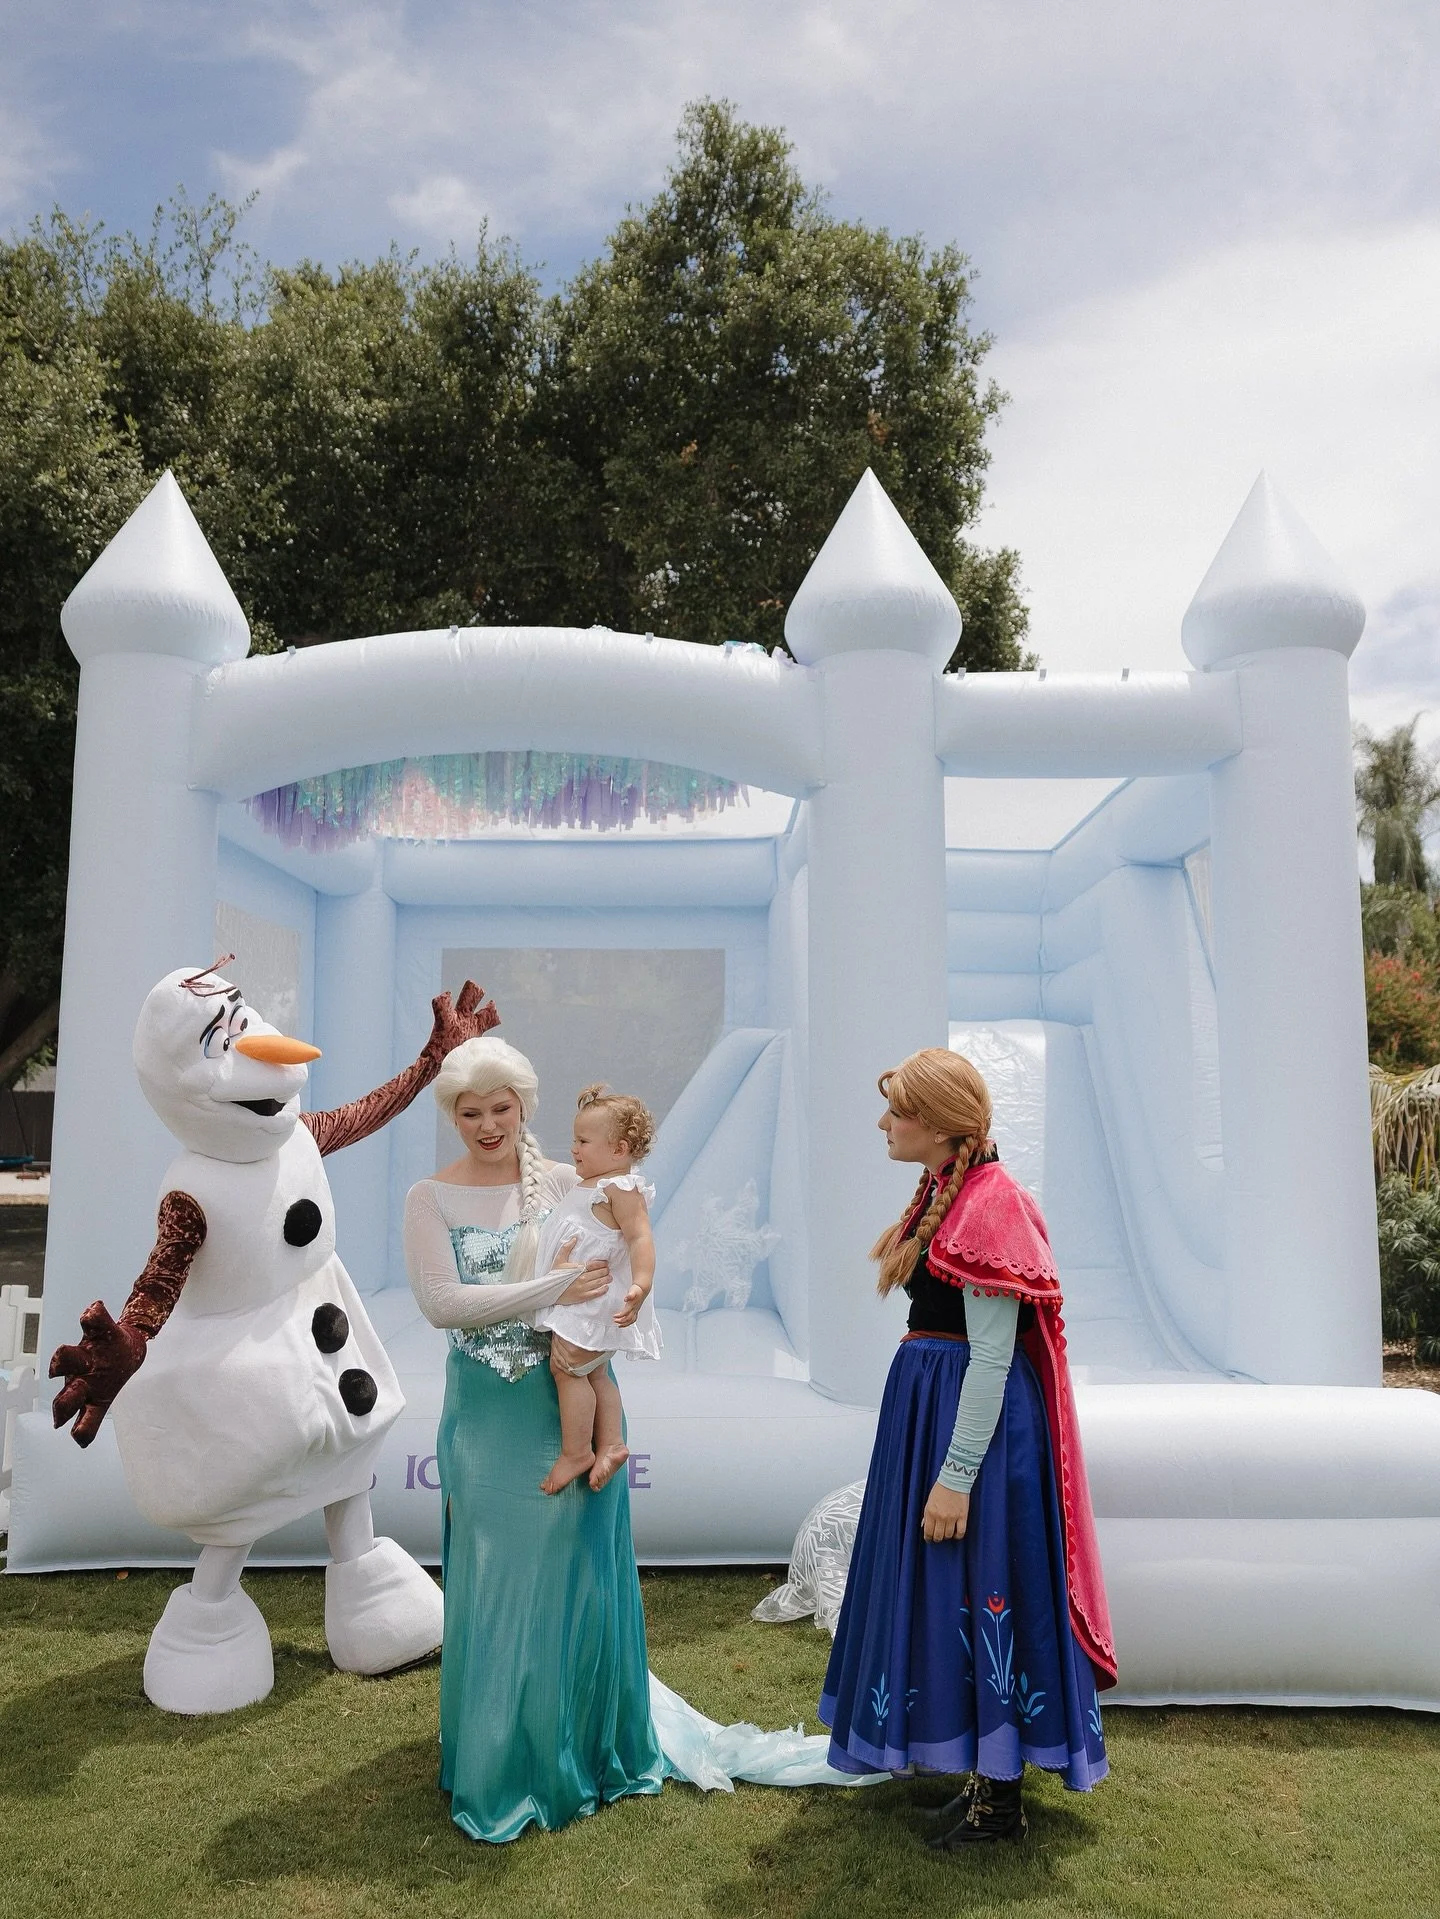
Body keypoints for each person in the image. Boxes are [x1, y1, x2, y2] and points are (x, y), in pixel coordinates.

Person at [818, 1047, 1116, 1849]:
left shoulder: (991, 1205)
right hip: (934, 1412)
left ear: (941, 1124)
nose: (884, 1123)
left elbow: (991, 1355)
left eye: (897, 1111)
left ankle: (1002, 1797)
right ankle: (983, 1775)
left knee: (986, 1582)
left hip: (970, 1430)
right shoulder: (948, 1191)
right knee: (952, 1589)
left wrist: (954, 1476)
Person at [403, 1035, 666, 1842]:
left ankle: (582, 1749)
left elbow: (630, 1245)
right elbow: (443, 1305)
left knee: (574, 1572)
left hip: (572, 1404)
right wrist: (556, 1286)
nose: (488, 1124)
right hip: (486, 1416)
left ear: (525, 1105)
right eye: (470, 1111)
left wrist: (617, 1306)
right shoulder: (429, 1197)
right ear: (453, 1115)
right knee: (499, 1575)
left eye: (502, 1107)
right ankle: (501, 1763)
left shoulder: (564, 1179)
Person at [532, 1084, 664, 1496]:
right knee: (597, 1373)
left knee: (567, 1370)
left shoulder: (620, 1189)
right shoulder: (593, 1182)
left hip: (592, 1302)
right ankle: (611, 1444)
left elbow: (641, 1238)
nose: (574, 1149)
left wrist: (641, 1286)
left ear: (619, 1148)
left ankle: (577, 1452)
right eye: (575, 1139)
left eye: (583, 1141)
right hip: (586, 1301)